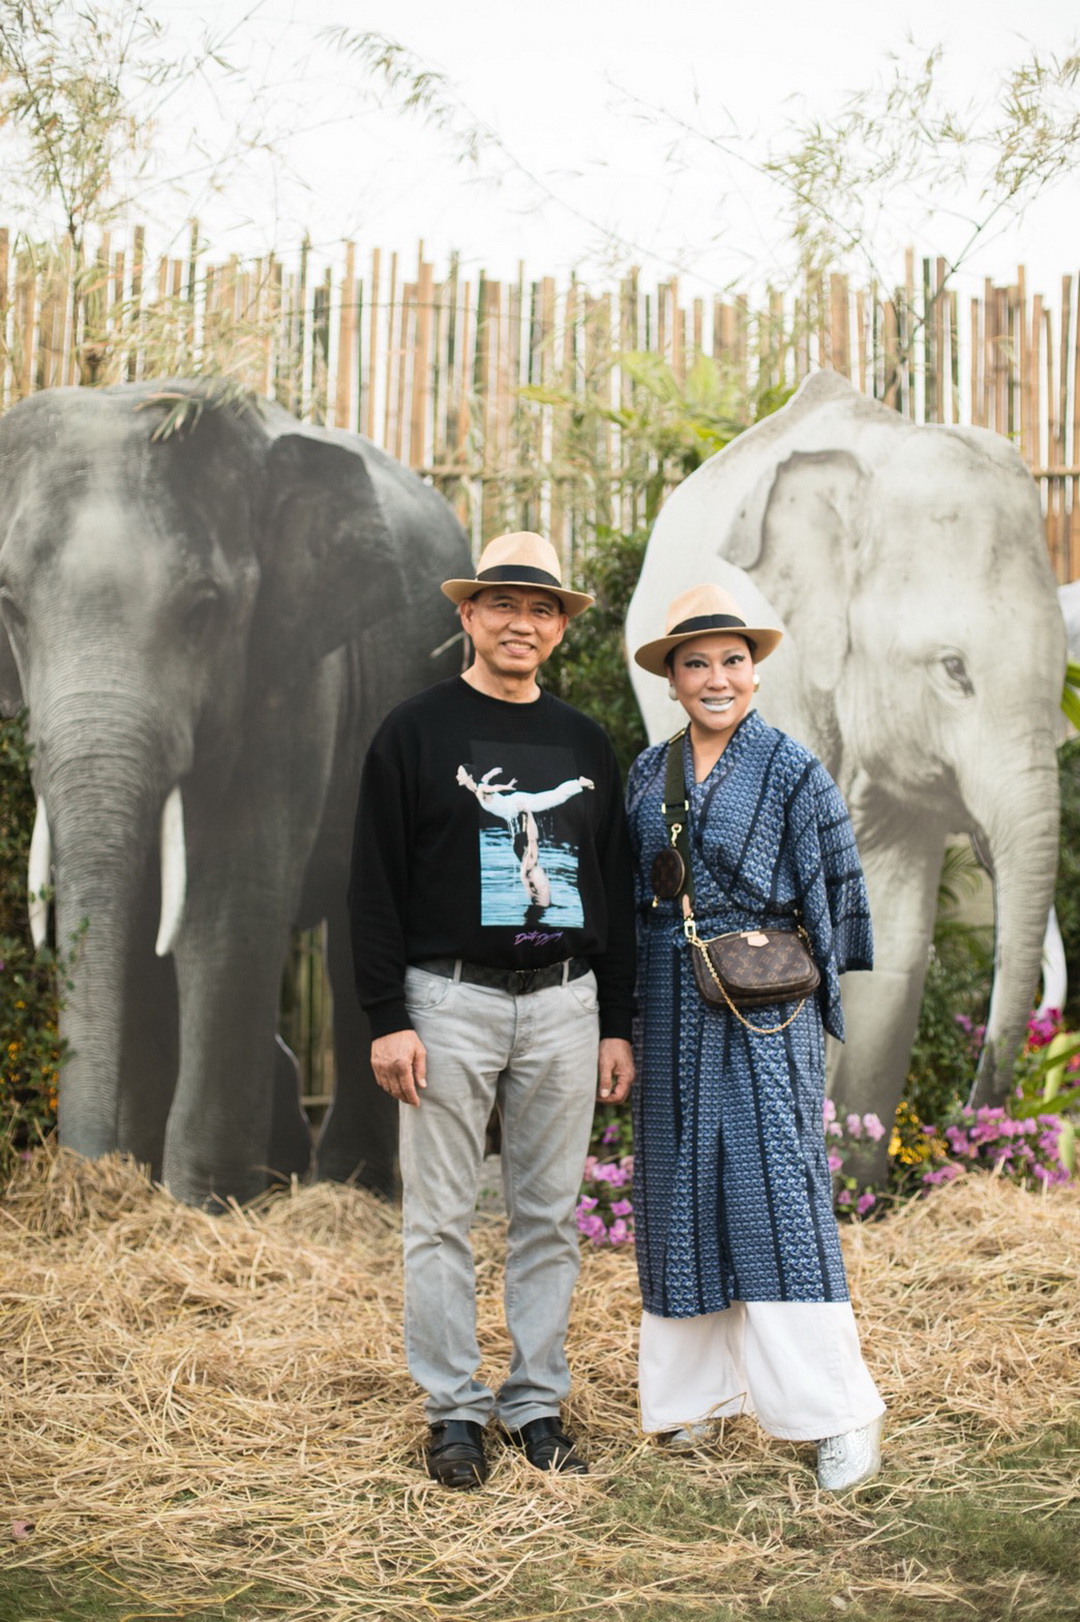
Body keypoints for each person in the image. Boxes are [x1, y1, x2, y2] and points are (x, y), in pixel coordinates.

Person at [349, 530, 636, 1489]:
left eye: (542, 608)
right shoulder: (415, 731)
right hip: (448, 1004)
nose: (523, 622)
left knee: (549, 1215)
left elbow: (616, 887)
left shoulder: (585, 742)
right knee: (439, 1216)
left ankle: (537, 1404)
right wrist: (389, 1014)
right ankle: (456, 1413)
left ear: (559, 627)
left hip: (563, 1004)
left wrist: (615, 1022)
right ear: (468, 615)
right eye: (504, 604)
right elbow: (375, 884)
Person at [626, 583, 885, 1492]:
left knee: (777, 1192)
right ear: (672, 676)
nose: (717, 677)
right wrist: (626, 1022)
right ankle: (696, 1401)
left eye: (733, 659)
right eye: (696, 662)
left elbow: (837, 886)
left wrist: (818, 998)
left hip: (764, 1001)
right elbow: (633, 904)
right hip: (666, 992)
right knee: (677, 1189)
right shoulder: (645, 775)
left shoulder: (792, 768)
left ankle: (837, 1414)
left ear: (755, 669)